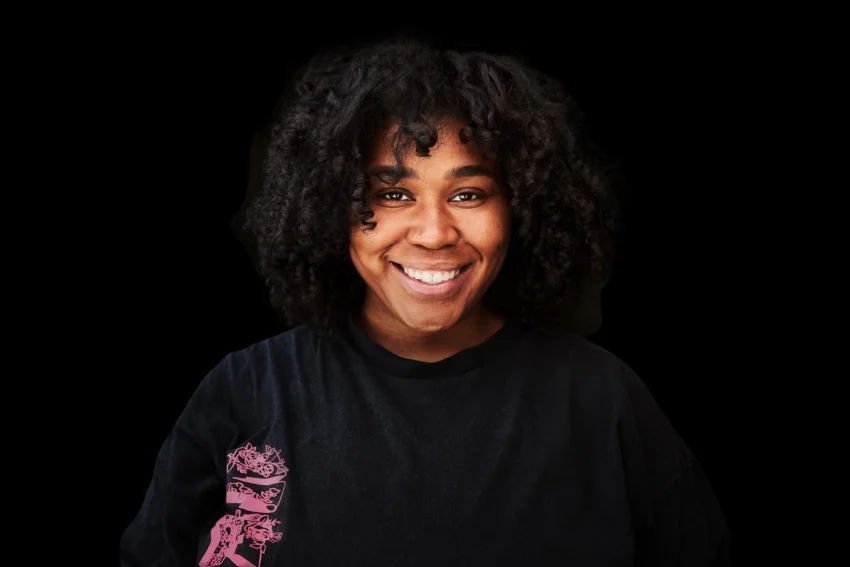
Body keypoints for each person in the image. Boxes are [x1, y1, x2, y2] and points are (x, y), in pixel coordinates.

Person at [120, 36, 730, 566]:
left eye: (468, 194)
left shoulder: (601, 399)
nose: (434, 233)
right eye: (392, 194)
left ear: (520, 210)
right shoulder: (248, 392)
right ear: (330, 207)